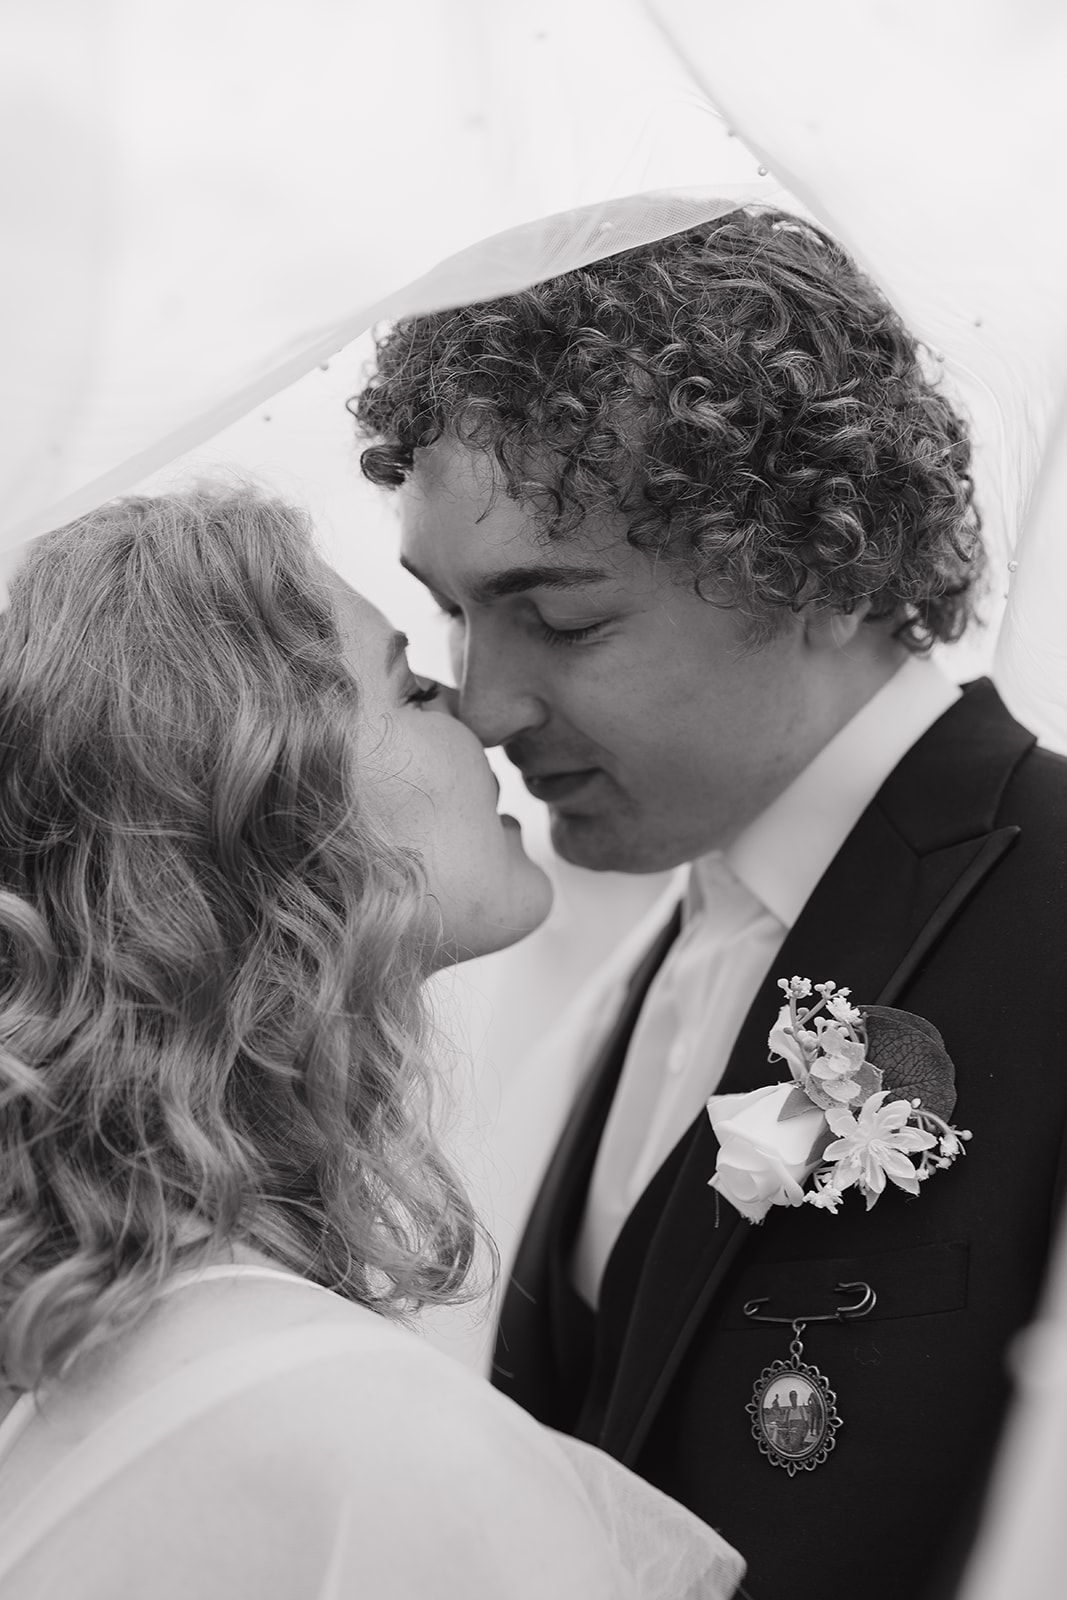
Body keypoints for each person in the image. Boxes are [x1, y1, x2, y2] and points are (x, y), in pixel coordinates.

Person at [352, 207, 1067, 1600]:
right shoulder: (625, 966)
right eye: (451, 616)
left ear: (819, 569)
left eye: (560, 622)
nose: (484, 704)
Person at [0, 487, 744, 1599]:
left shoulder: (80, 1359)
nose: (480, 712)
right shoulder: (365, 1439)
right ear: (278, 811)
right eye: (406, 685)